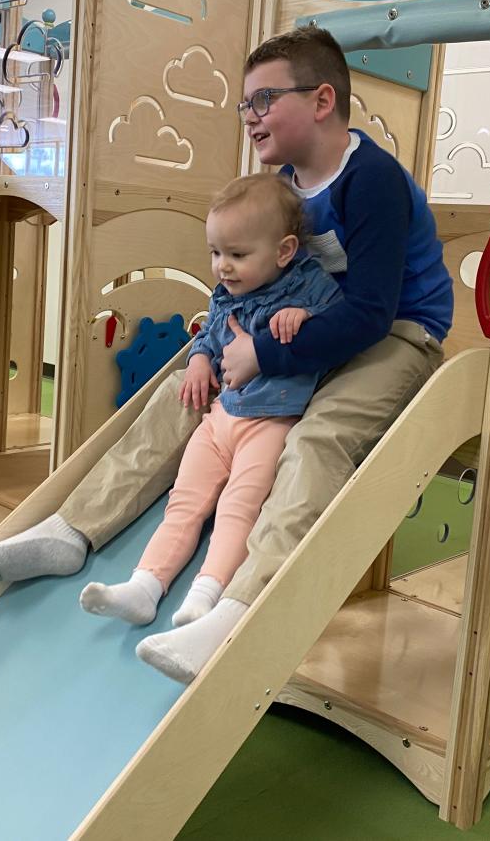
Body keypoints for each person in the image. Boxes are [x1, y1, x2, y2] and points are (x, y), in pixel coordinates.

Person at [0, 25, 453, 683]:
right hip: (305, 327)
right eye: (245, 104)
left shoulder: (371, 182)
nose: (249, 117)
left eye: (263, 100)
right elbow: (247, 299)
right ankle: (73, 531)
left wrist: (265, 359)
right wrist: (207, 353)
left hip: (396, 332)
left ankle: (238, 609)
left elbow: (369, 313)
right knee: (184, 389)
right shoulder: (280, 186)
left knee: (319, 437)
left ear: (322, 101)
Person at [79, 173, 340, 628]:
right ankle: (145, 586)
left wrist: (307, 317)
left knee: (238, 509)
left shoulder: (309, 286)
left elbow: (342, 320)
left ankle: (207, 593)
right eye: (216, 253)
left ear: (284, 251)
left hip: (271, 424)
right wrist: (199, 359)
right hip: (219, 419)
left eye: (238, 255)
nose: (223, 266)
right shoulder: (225, 296)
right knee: (184, 501)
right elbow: (212, 337)